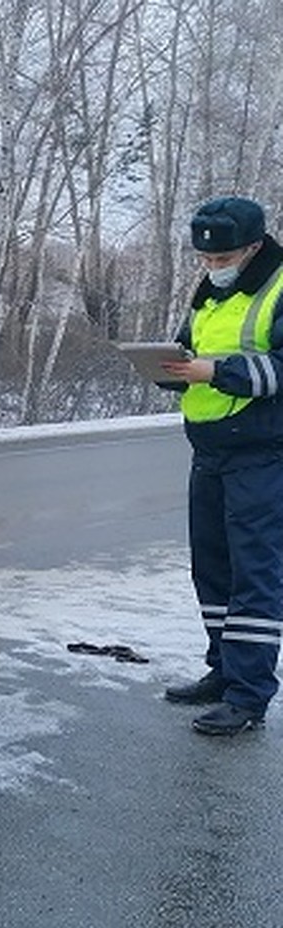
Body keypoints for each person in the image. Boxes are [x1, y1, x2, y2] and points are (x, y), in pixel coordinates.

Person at [160, 195, 283, 735]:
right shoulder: (209, 292)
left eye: (223, 258)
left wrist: (216, 372)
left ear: (253, 247)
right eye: (206, 260)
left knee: (254, 575)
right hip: (209, 451)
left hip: (262, 453)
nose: (213, 268)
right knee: (212, 568)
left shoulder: (278, 289)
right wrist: (172, 366)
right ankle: (223, 670)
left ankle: (249, 695)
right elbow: (193, 349)